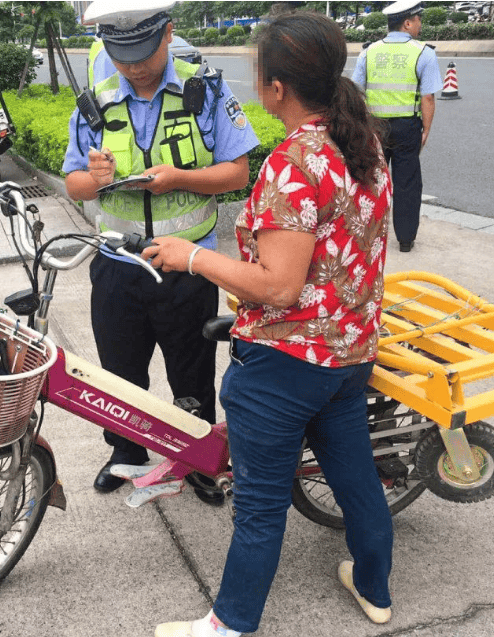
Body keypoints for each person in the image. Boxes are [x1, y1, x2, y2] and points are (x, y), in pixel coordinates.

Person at [145, 13, 395, 637]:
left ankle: (230, 624)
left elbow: (280, 286)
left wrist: (191, 257)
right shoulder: (362, 142)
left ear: (276, 87)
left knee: (258, 505)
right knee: (355, 475)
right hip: (348, 353)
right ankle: (374, 589)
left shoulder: (294, 162)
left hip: (286, 365)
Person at [62, 0, 258, 500]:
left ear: (168, 34)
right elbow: (73, 185)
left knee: (190, 368)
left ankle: (195, 460)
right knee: (119, 370)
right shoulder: (95, 100)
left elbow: (238, 172)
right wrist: (95, 179)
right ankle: (126, 452)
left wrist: (179, 180)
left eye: (143, 52)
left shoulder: (205, 88)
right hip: (117, 265)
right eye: (120, 53)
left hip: (188, 265)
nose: (132, 65)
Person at [351, 0, 441, 253]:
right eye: (418, 20)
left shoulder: (368, 52)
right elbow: (428, 97)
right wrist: (426, 129)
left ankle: (366, 235)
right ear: (407, 23)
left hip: (374, 127)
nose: (420, 25)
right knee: (407, 183)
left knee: (370, 181)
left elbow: (356, 91)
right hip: (406, 127)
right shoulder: (424, 52)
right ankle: (405, 239)